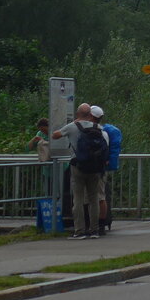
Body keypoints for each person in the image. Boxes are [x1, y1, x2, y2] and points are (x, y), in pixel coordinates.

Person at [52, 103, 107, 240]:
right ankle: (94, 230)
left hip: (78, 166)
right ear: (90, 115)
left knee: (78, 199)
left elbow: (55, 135)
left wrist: (74, 122)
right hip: (94, 168)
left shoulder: (72, 127)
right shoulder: (98, 127)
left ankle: (79, 231)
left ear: (77, 114)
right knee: (94, 198)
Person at [95, 106, 122, 236]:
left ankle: (90, 225)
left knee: (91, 197)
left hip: (88, 168)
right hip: (102, 169)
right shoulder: (105, 132)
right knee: (101, 196)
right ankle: (101, 225)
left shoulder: (91, 131)